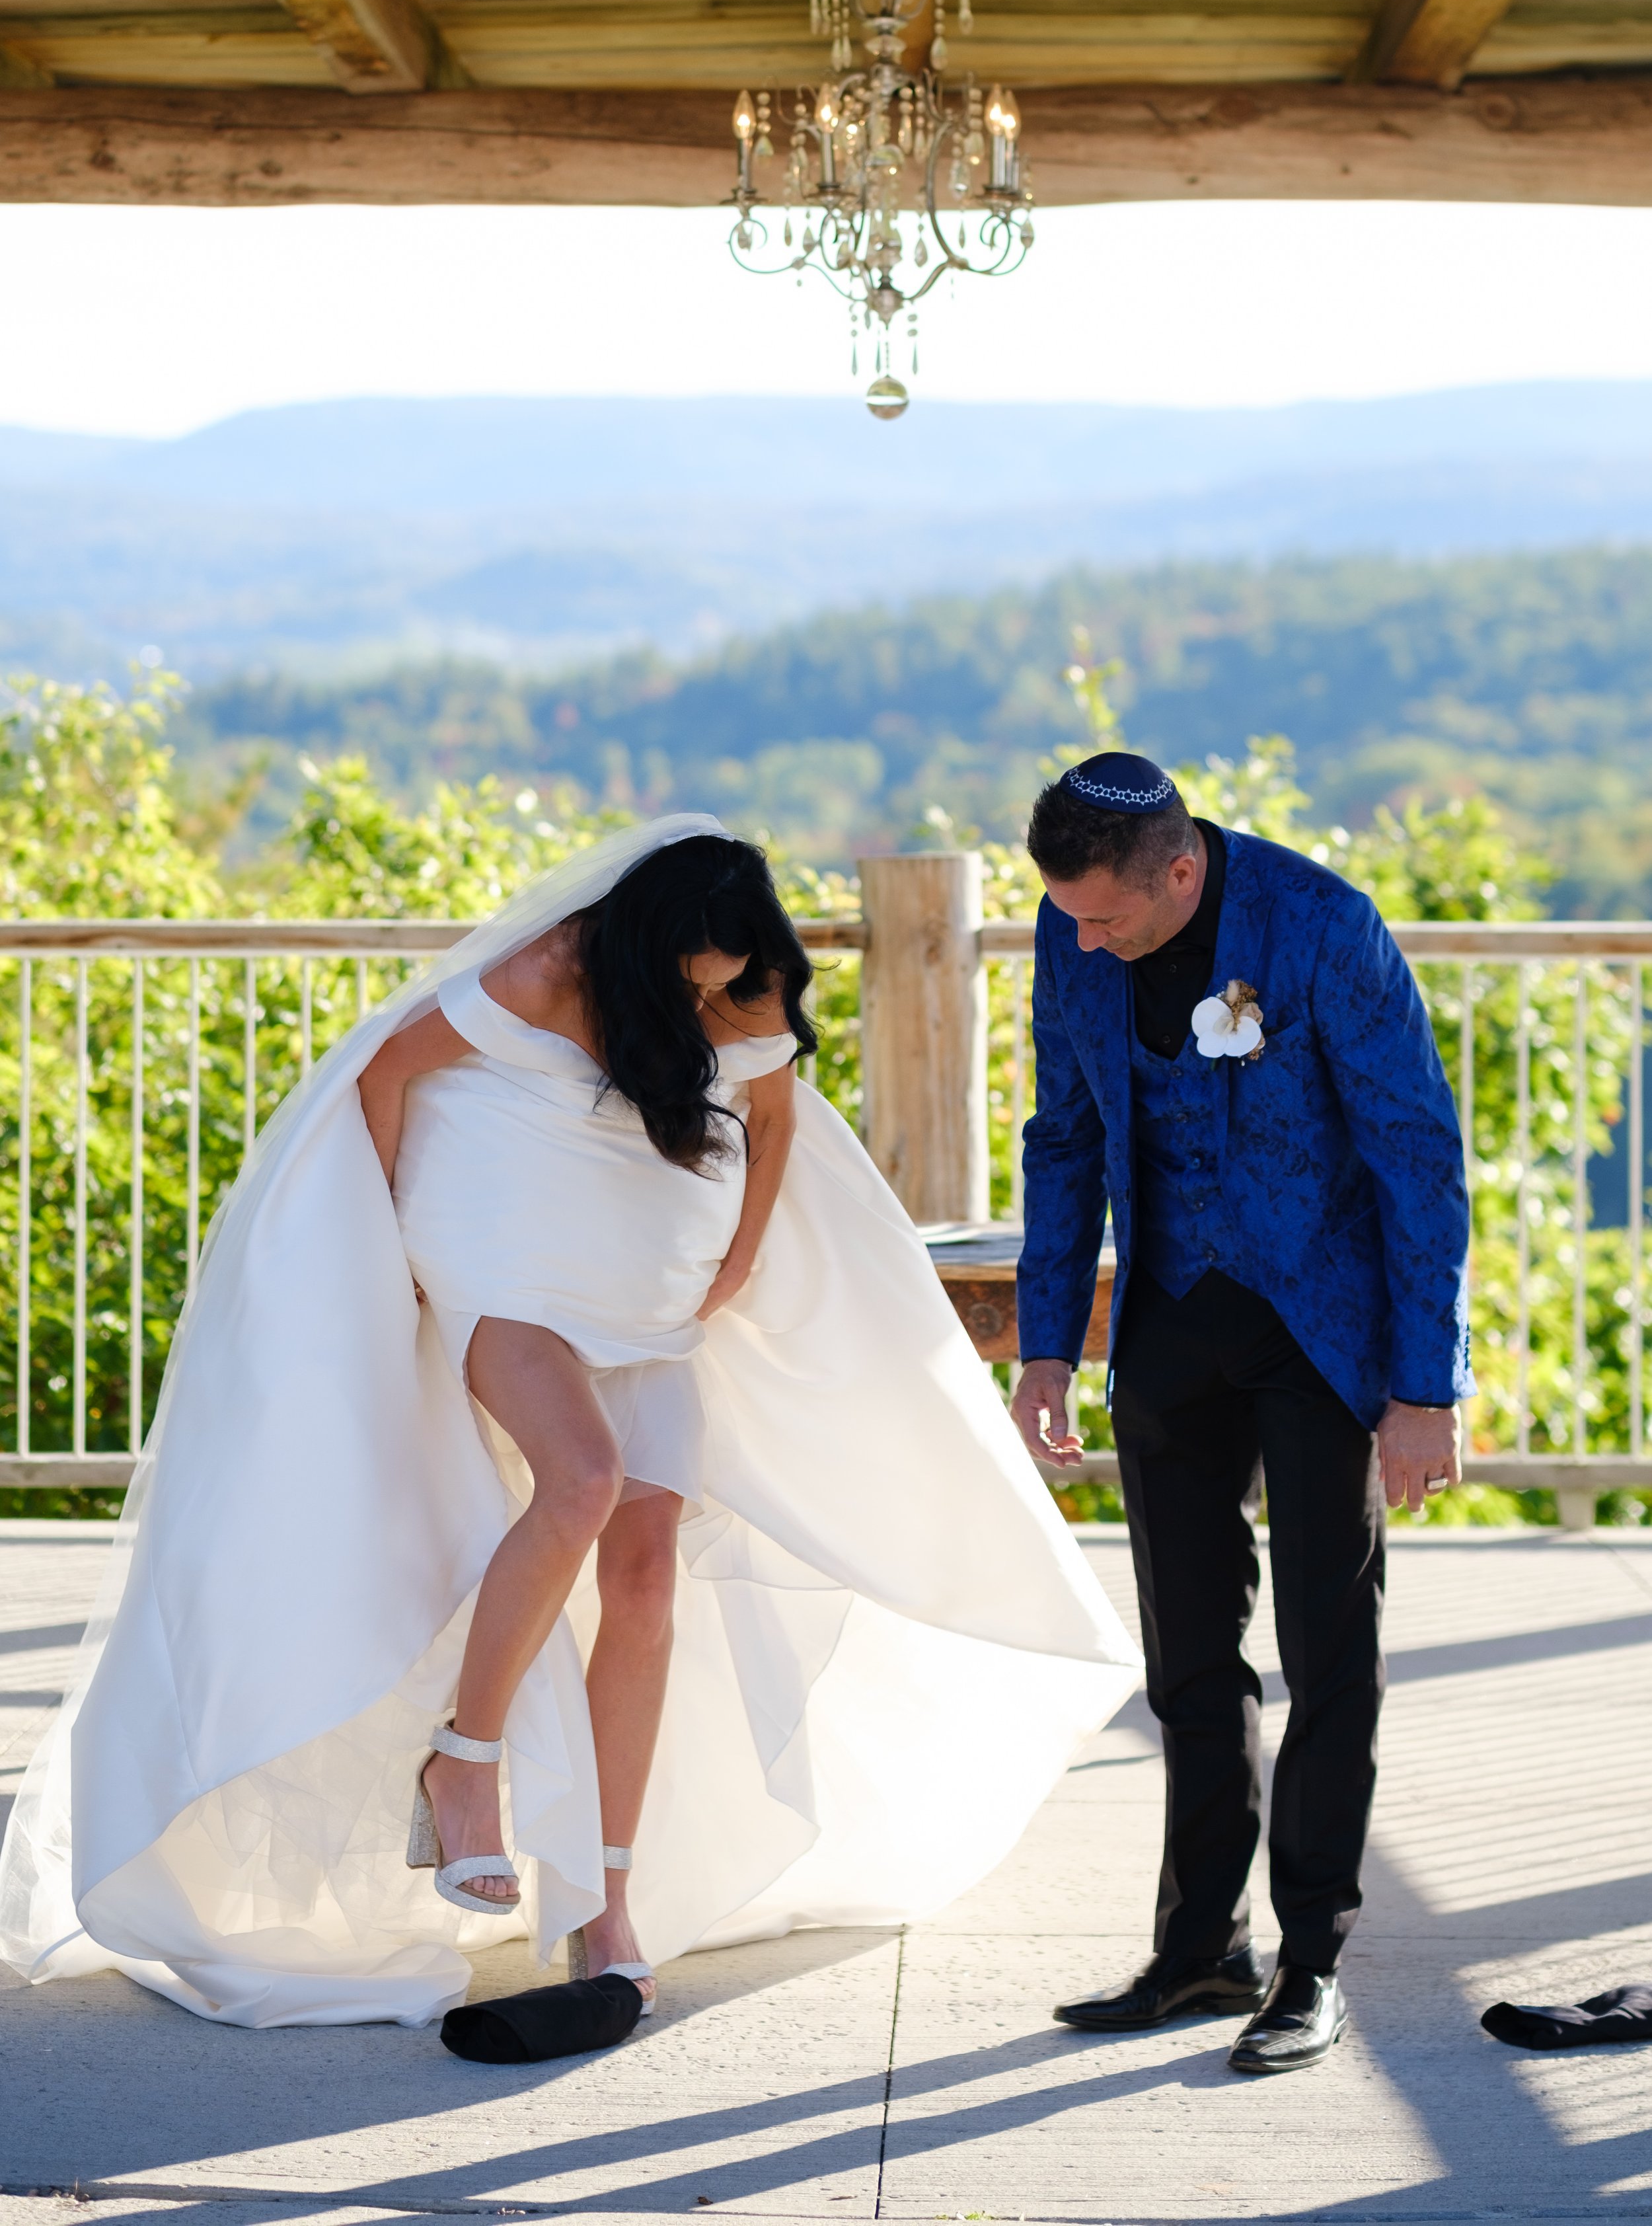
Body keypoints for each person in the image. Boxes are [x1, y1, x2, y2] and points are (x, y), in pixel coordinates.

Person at [1, 815, 1139, 2033]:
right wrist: (383, 1245)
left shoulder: (748, 986)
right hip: (509, 1275)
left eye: (731, 972)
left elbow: (778, 1128)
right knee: (582, 1480)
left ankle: (605, 1905)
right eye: (691, 973)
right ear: (642, 944)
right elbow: (385, 1073)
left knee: (647, 1578)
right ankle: (466, 1758)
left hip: (647, 1303)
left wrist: (736, 1268)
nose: (714, 994)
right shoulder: (543, 971)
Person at [1010, 752, 1470, 2075]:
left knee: (1331, 1652)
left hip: (1321, 1334)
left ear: (1182, 868)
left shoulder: (1322, 926)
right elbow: (1061, 1136)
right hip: (1165, 1322)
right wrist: (1047, 1347)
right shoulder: (1070, 919)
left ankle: (1311, 1962)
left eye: (1104, 916)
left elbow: (1414, 1157)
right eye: (1067, 917)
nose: (1080, 939)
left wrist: (1422, 1387)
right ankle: (1199, 1949)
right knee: (1187, 1661)